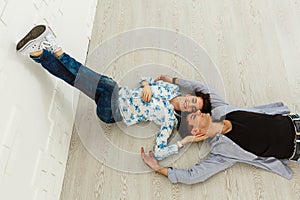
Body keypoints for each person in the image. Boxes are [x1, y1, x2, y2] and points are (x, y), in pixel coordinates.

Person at [16, 24, 213, 161]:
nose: (191, 105)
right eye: (194, 101)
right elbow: (145, 77)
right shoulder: (171, 88)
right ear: (190, 96)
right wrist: (147, 85)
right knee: (75, 80)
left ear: (188, 114)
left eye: (193, 108)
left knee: (110, 85)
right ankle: (38, 54)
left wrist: (185, 141)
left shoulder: (169, 120)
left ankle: (57, 50)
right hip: (114, 95)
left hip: (111, 113)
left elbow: (159, 152)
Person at [141, 106, 300, 184]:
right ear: (196, 131)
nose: (198, 112)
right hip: (296, 148)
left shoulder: (223, 110)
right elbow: (192, 176)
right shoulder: (222, 153)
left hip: (294, 121)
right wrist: (157, 168)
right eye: (194, 116)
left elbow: (200, 87)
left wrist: (172, 82)